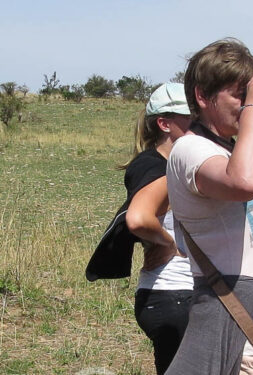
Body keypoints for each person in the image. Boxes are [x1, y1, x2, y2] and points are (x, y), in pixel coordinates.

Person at [164, 38, 253, 375]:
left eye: (250, 95)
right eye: (239, 95)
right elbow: (244, 184)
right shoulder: (190, 149)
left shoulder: (235, 157)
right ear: (202, 96)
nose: (248, 105)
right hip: (242, 345)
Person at [85, 82, 194, 374]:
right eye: (190, 116)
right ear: (164, 123)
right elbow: (138, 219)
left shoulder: (180, 164)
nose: (198, 122)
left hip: (176, 296)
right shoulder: (153, 166)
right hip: (173, 294)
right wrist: (168, 244)